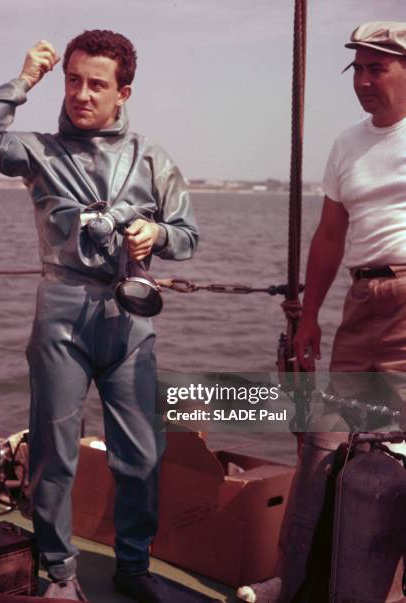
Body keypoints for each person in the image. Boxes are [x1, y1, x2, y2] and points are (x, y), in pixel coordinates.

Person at [0, 30, 198, 602]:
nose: (81, 94)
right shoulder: (38, 151)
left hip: (129, 318)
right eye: (73, 80)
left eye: (97, 84)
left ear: (124, 92)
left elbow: (188, 237)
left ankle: (134, 565)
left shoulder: (152, 158)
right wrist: (25, 78)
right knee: (52, 451)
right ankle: (61, 575)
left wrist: (157, 233)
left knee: (142, 453)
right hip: (62, 314)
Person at [238, 20, 406, 603]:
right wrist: (309, 316)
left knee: (395, 454)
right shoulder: (348, 144)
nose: (362, 80)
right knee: (326, 443)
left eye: (376, 68)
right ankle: (303, 581)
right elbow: (330, 235)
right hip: (362, 304)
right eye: (356, 69)